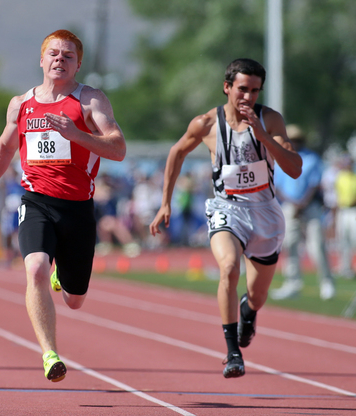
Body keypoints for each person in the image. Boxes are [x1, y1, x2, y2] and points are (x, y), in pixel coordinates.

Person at [0, 29, 126, 382]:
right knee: (35, 268)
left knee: (75, 300)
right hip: (36, 201)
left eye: (68, 55)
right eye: (53, 54)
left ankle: (62, 275)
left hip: (78, 208)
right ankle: (49, 354)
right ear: (41, 60)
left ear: (78, 64)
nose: (59, 60)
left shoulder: (90, 101)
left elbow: (118, 148)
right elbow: (6, 148)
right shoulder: (21, 104)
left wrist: (77, 134)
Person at [149, 58, 302, 379]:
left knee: (258, 296)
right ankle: (233, 352)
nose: (247, 97)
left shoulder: (270, 120)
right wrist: (165, 202)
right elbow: (177, 152)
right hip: (226, 208)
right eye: (242, 89)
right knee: (229, 267)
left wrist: (262, 135)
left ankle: (248, 311)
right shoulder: (205, 124)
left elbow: (294, 168)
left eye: (254, 91)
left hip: (265, 214)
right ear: (227, 87)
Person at [270, 125, 335, 300]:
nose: (294, 143)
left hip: (309, 205)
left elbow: (315, 184)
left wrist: (302, 204)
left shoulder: (312, 158)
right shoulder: (279, 158)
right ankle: (293, 283)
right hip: (290, 206)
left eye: (297, 140)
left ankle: (326, 282)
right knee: (290, 244)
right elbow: (277, 186)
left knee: (317, 246)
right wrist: (294, 204)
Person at [335, 155, 356, 279]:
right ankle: (345, 267)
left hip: (353, 211)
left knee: (353, 239)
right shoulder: (340, 177)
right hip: (343, 210)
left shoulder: (354, 177)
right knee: (343, 240)